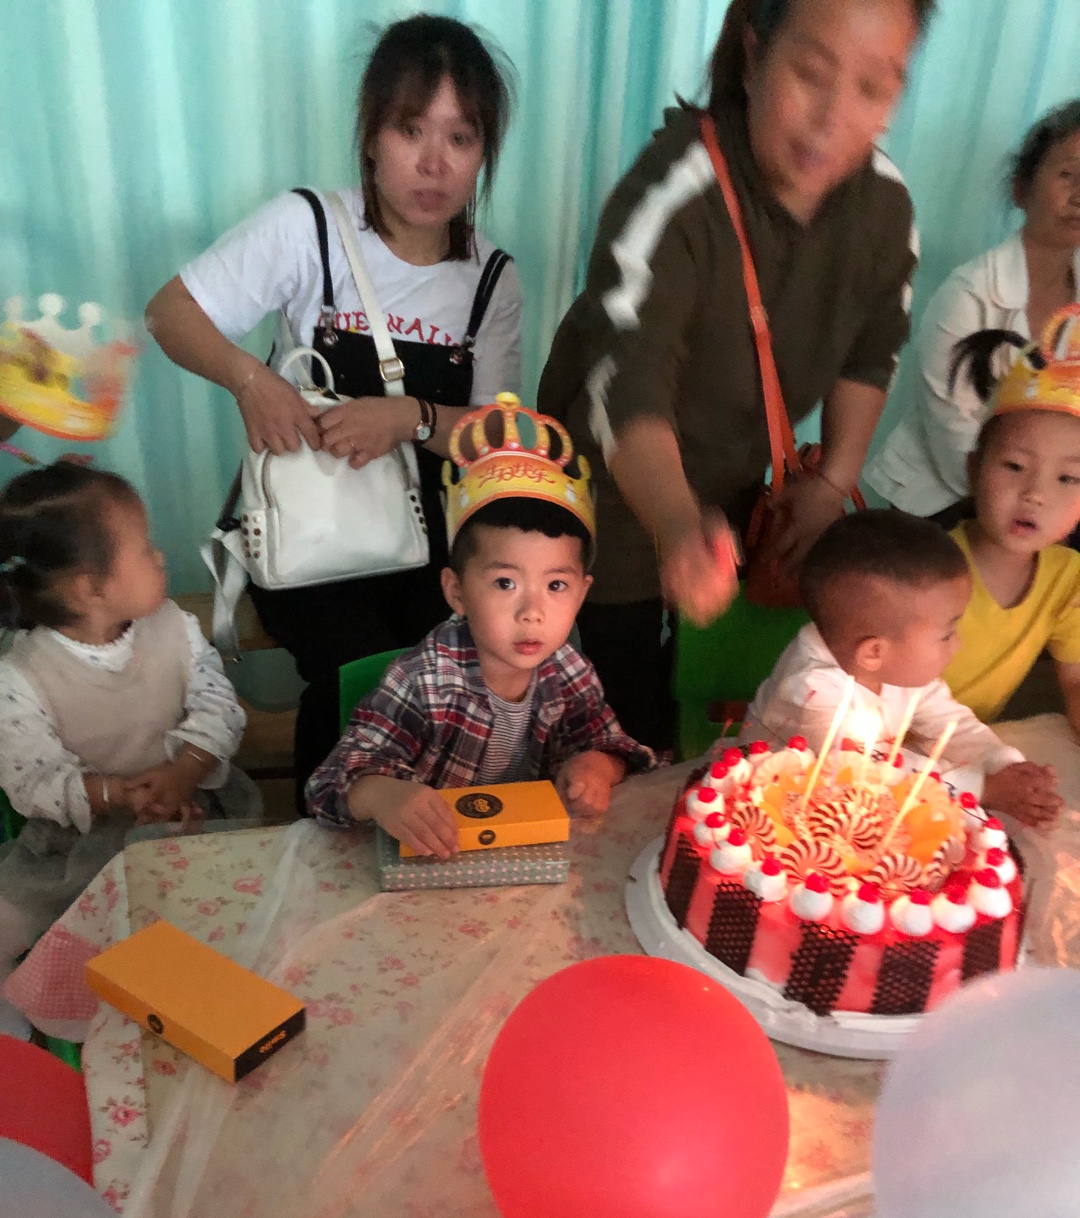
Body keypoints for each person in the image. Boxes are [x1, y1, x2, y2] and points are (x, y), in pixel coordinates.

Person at [537, 0, 934, 750]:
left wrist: (831, 481)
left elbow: (870, 352)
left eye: (873, 89)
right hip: (615, 496)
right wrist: (676, 523)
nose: (832, 120)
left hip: (737, 487)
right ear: (753, 56)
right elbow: (629, 388)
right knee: (622, 719)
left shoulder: (884, 208)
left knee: (721, 703)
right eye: (811, 74)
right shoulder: (673, 196)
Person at [145, 15, 522, 806]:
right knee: (363, 670)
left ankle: (435, 839)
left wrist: (412, 417)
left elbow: (493, 438)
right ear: (371, 135)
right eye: (410, 129)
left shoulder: (491, 279)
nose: (433, 162)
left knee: (457, 660)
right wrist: (252, 381)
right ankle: (324, 838)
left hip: (429, 538)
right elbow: (170, 313)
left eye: (460, 138)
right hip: (310, 533)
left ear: (484, 152)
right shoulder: (309, 226)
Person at [306, 395, 654, 858]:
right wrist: (381, 794)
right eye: (506, 583)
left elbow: (611, 743)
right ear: (456, 591)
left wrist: (598, 765)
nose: (532, 611)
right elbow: (329, 783)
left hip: (527, 859)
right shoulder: (423, 682)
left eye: (556, 585)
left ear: (581, 593)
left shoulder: (569, 671)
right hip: (433, 860)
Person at [0, 462, 260, 989]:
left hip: (193, 815)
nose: (160, 557)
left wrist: (186, 769)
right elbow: (32, 781)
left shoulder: (175, 627)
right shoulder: (21, 674)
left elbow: (219, 705)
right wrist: (116, 794)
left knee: (235, 916)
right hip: (81, 842)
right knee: (16, 925)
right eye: (145, 549)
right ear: (91, 588)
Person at [743, 509, 1062, 830]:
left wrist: (1002, 764)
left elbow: (949, 723)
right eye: (946, 634)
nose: (957, 645)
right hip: (773, 811)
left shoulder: (895, 664)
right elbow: (872, 776)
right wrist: (984, 788)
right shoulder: (811, 691)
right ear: (874, 652)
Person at [866, 100, 1080, 523]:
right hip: (944, 503)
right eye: (1068, 175)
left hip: (1046, 507)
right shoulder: (969, 294)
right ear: (1021, 190)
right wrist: (1032, 513)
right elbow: (953, 438)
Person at [940, 306, 1080, 729]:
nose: (1035, 494)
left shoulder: (1067, 578)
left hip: (970, 754)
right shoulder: (926, 565)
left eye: (1068, 478)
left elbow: (1076, 681)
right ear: (974, 469)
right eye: (1015, 466)